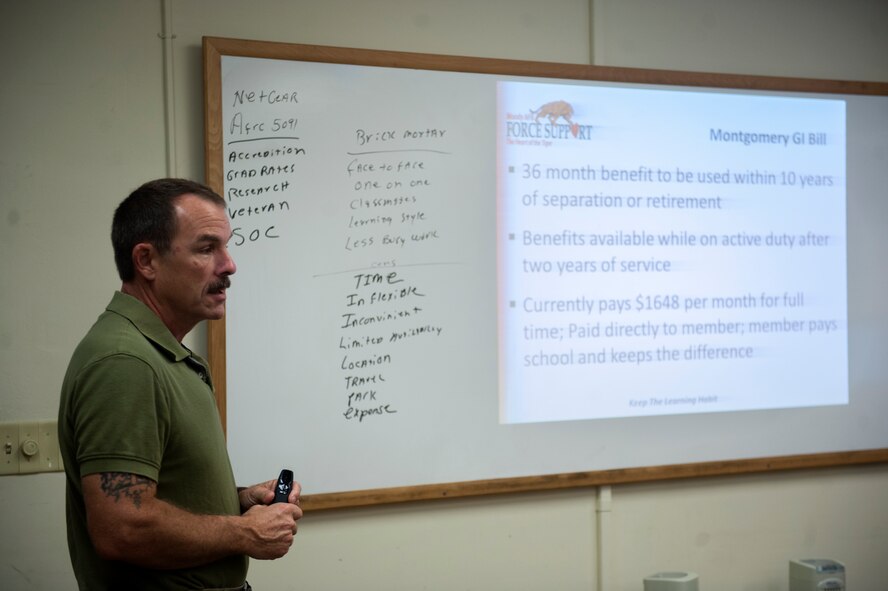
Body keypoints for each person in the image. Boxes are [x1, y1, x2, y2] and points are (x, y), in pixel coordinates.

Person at [58, 178, 302, 590]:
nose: (229, 265)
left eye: (226, 246)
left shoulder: (159, 353)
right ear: (146, 261)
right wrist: (244, 533)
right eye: (207, 249)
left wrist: (237, 502)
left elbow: (156, 495)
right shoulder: (126, 362)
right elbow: (123, 528)